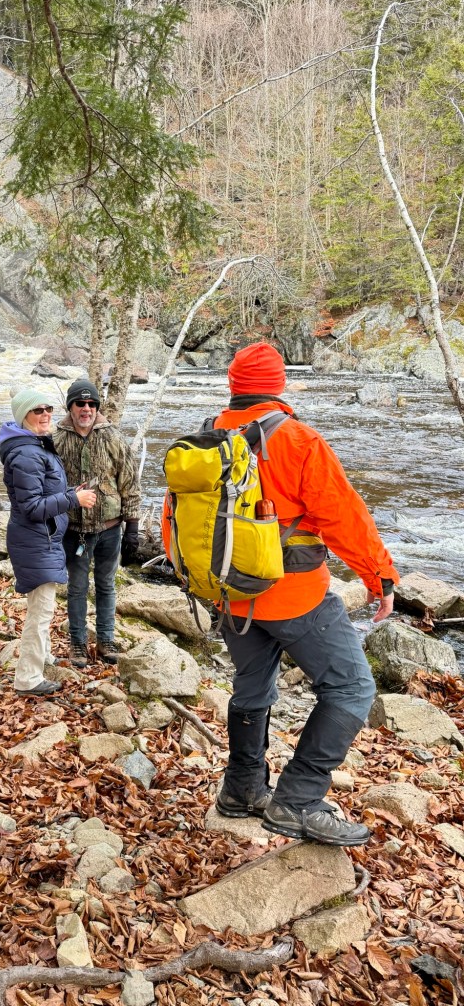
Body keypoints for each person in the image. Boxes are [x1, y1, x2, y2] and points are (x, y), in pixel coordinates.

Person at [211, 342, 399, 846]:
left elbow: (177, 522)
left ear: (234, 384)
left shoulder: (207, 437)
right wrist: (379, 576)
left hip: (229, 595)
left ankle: (242, 790)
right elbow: (342, 514)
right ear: (279, 385)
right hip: (295, 596)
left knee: (252, 687)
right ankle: (298, 800)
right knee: (352, 688)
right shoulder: (296, 440)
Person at [0, 387, 96, 696]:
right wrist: (74, 499)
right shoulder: (26, 453)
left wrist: (69, 492)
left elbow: (42, 493)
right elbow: (31, 508)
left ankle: (44, 657)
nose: (45, 415)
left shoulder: (34, 445)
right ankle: (28, 678)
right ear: (23, 416)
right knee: (40, 612)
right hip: (35, 540)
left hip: (42, 539)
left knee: (43, 607)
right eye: (37, 410)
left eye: (48, 409)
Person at [53, 379, 141, 667]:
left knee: (106, 585)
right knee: (77, 588)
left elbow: (130, 483)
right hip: (73, 530)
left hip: (110, 529)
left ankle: (106, 640)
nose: (86, 409)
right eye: (80, 403)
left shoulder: (113, 437)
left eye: (92, 404)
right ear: (70, 407)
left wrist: (132, 529)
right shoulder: (56, 440)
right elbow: (49, 486)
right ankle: (78, 644)